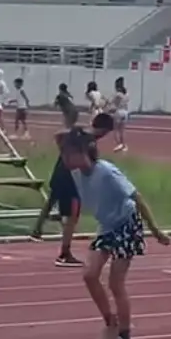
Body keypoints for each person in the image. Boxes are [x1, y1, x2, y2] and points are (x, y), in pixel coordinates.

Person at [64, 128, 171, 339]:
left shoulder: (107, 172)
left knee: (115, 283)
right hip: (106, 226)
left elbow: (137, 197)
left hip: (126, 224)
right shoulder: (75, 174)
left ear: (82, 152)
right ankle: (110, 319)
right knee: (89, 275)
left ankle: (124, 331)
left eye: (69, 154)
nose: (65, 159)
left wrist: (155, 231)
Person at [31, 113, 116, 266]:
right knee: (72, 215)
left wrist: (63, 152)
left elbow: (58, 135)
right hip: (71, 178)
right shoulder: (89, 141)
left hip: (60, 171)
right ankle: (64, 253)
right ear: (104, 130)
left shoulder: (77, 131)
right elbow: (88, 164)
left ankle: (37, 230)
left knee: (51, 200)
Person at [110, 77, 130, 152]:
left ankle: (119, 144)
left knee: (116, 130)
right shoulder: (127, 94)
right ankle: (124, 145)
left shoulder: (117, 94)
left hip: (119, 112)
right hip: (125, 112)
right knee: (122, 130)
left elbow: (112, 103)